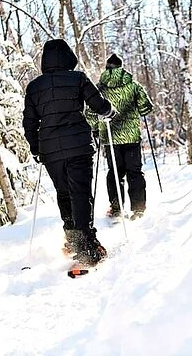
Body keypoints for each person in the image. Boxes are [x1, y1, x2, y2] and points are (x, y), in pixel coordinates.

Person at [23, 39, 116, 266]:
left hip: (50, 151)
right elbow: (99, 105)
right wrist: (109, 111)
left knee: (64, 193)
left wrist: (36, 149)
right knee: (81, 193)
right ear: (68, 57)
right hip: (78, 147)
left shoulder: (34, 87)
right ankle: (86, 245)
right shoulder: (78, 79)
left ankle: (73, 239)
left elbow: (29, 124)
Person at [88, 53, 153, 220]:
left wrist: (95, 129)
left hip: (110, 137)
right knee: (134, 171)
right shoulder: (133, 85)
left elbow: (90, 113)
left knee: (115, 172)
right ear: (121, 67)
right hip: (131, 136)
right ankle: (138, 209)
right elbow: (146, 108)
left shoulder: (99, 88)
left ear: (107, 68)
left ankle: (116, 208)